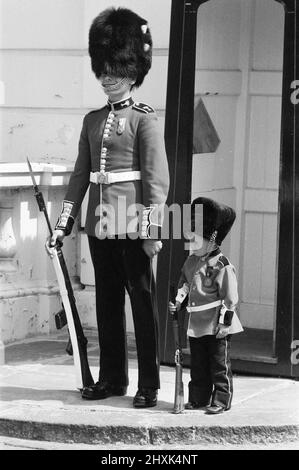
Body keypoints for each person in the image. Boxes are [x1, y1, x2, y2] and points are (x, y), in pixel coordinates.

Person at [46, 7, 169, 408]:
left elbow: (156, 182)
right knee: (107, 303)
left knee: (141, 301)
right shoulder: (91, 120)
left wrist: (152, 232)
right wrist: (63, 224)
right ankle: (112, 378)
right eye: (103, 69)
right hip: (98, 224)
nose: (107, 77)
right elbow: (80, 177)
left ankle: (148, 383)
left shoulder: (145, 121)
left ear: (133, 71)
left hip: (133, 223)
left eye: (115, 69)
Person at [169, 197, 243, 414]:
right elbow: (185, 285)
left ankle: (221, 400)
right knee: (198, 365)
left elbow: (230, 299)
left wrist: (224, 324)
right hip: (196, 324)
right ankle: (198, 398)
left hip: (217, 324)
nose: (190, 245)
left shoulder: (222, 266)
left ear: (211, 240)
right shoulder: (191, 262)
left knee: (218, 365)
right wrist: (178, 303)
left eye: (195, 241)